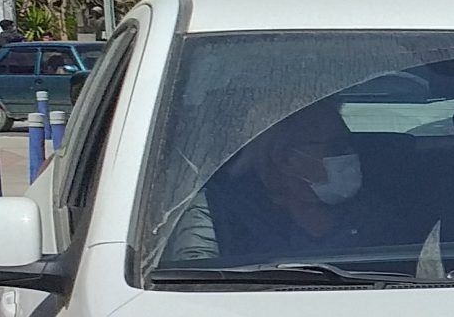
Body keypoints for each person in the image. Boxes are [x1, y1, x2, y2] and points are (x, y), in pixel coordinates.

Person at [163, 99, 405, 265]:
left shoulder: (373, 211)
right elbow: (195, 280)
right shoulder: (218, 211)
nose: (350, 154)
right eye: (336, 147)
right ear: (286, 159)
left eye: (349, 143)